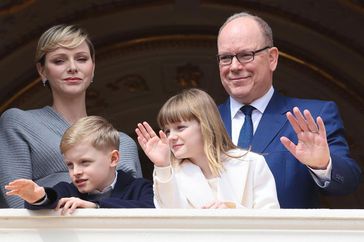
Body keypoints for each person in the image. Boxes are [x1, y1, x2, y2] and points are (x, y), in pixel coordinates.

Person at [216, 12, 361, 208]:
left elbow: (349, 182)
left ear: (272, 58)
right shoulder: (201, 122)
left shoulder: (310, 117)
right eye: (226, 57)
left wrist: (323, 164)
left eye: (245, 55)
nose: (234, 66)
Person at [0, 24, 142, 208]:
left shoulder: (124, 144)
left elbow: (138, 212)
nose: (73, 67)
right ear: (42, 70)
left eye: (82, 59)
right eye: (59, 61)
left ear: (93, 67)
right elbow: (18, 204)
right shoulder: (19, 123)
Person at [136, 88, 279, 209]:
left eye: (180, 128)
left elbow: (272, 222)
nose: (171, 137)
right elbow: (170, 217)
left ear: (206, 125)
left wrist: (233, 212)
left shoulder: (253, 163)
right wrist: (162, 165)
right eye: (167, 131)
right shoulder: (168, 174)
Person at [5, 116, 154, 215]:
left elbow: (151, 208)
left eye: (85, 162)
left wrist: (96, 206)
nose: (76, 172)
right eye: (70, 165)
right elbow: (50, 200)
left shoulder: (140, 187)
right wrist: (39, 197)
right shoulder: (67, 189)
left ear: (113, 159)